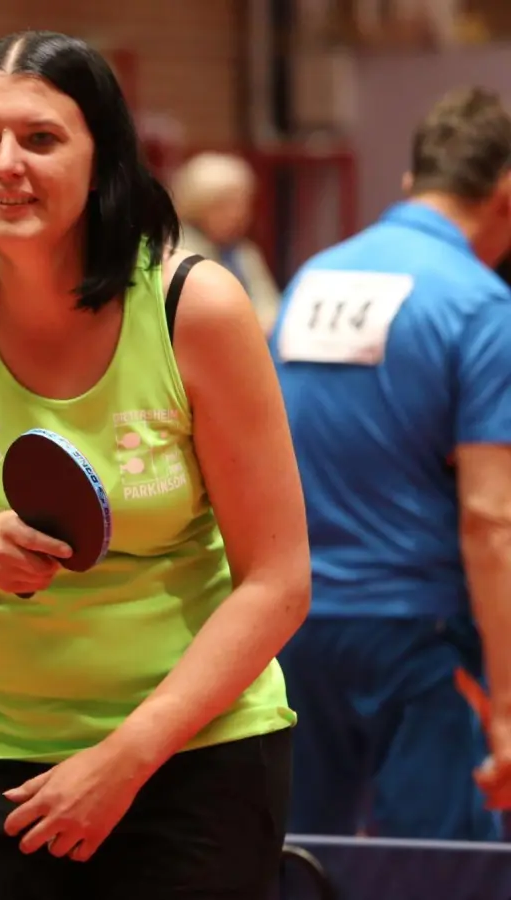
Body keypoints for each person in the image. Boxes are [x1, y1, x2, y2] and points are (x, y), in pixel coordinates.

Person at [0, 30, 308, 899]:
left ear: (103, 160)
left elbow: (278, 582)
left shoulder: (193, 307)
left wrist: (125, 758)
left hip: (191, 747)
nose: (4, 164)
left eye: (41, 139)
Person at [270, 86, 511, 840]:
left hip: (292, 633)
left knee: (305, 865)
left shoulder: (312, 280)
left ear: (411, 184)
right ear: (504, 197)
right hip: (417, 641)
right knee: (440, 878)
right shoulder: (480, 305)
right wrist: (507, 701)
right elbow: (490, 516)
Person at [170, 151, 282, 332]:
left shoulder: (245, 253)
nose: (238, 214)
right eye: (225, 205)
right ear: (198, 205)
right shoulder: (177, 252)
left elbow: (271, 309)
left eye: (243, 203)